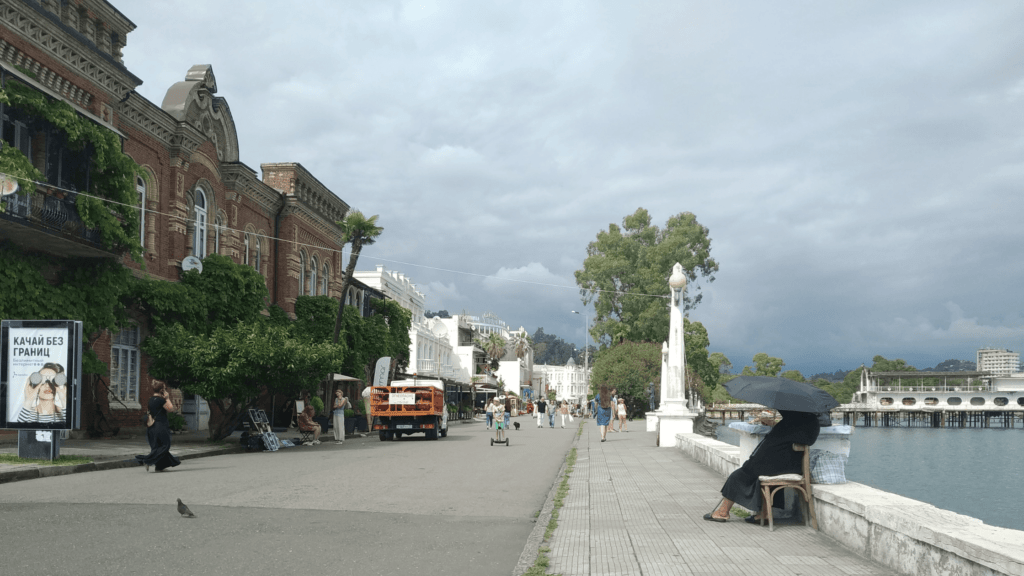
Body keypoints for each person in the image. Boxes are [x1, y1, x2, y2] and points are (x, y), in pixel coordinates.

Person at [704, 410, 821, 523]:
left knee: (739, 475)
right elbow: (793, 436)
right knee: (755, 475)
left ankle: (723, 512)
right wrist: (774, 424)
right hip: (790, 465)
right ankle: (763, 514)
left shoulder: (793, 420)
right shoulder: (809, 422)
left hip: (775, 465)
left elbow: (784, 438)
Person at [135, 381, 181, 472]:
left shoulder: (151, 399)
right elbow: (171, 409)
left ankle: (160, 466)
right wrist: (167, 398)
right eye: (165, 389)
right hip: (161, 425)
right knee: (165, 446)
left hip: (151, 426)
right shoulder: (161, 400)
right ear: (162, 390)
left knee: (157, 447)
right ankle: (147, 460)